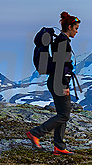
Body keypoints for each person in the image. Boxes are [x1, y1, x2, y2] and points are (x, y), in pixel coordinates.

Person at [26, 11, 80, 155]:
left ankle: (59, 147)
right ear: (69, 27)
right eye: (75, 28)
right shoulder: (62, 42)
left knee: (62, 113)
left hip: (55, 80)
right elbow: (61, 65)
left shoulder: (60, 41)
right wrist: (64, 85)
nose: (76, 32)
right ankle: (36, 133)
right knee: (64, 115)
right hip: (58, 81)